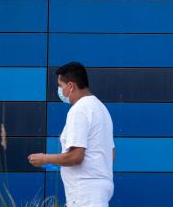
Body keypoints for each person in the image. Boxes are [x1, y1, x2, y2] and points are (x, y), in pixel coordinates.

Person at [28, 63, 115, 206]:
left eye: (61, 86)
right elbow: (109, 154)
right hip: (98, 190)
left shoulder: (79, 110)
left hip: (84, 192)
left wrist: (45, 159)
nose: (60, 91)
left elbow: (76, 156)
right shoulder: (101, 108)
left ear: (71, 86)